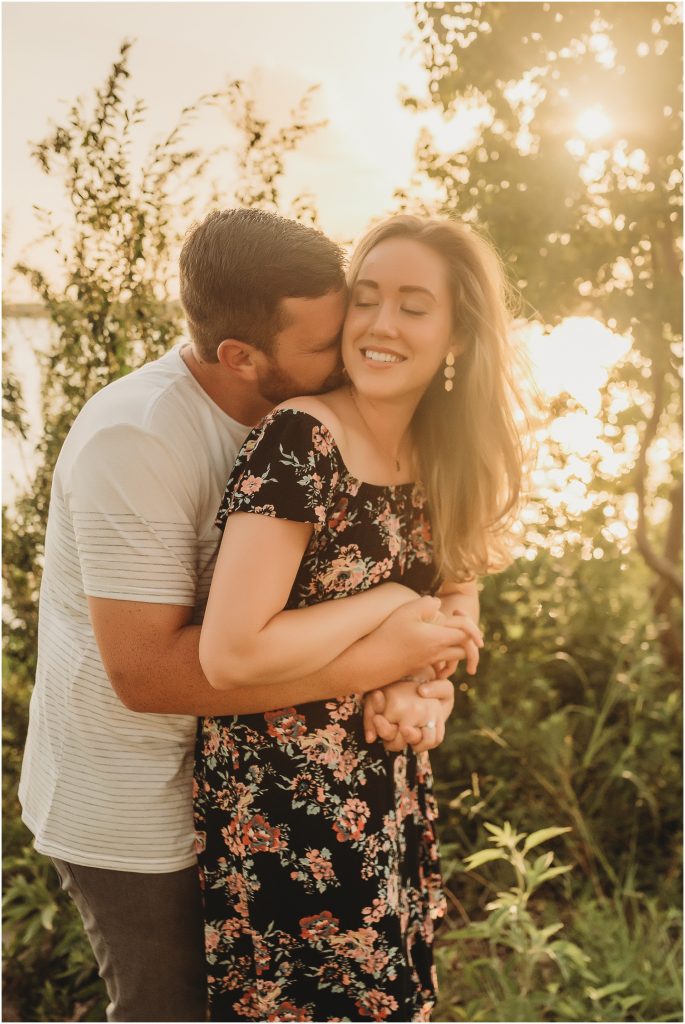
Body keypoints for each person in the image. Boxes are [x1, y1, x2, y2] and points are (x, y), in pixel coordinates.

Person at [18, 208, 465, 1023]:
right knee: (172, 1011)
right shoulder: (140, 441)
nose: (356, 348)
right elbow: (148, 677)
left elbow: (421, 570)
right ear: (238, 356)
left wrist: (417, 676)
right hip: (136, 802)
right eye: (327, 343)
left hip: (243, 788)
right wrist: (381, 652)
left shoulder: (313, 423)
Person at [196, 214, 524, 1022]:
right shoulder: (300, 439)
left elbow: (458, 593)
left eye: (414, 306)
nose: (379, 324)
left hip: (388, 791)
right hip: (284, 815)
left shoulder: (445, 448)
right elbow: (230, 654)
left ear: (456, 333)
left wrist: (425, 686)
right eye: (367, 298)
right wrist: (387, 609)